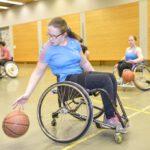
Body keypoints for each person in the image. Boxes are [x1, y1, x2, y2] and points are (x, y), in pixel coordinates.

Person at [13, 17, 124, 131]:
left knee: (110, 77)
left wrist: (95, 76)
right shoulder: (47, 49)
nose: (50, 39)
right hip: (67, 82)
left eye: (54, 36)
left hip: (80, 77)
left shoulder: (74, 43)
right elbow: (37, 72)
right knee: (105, 79)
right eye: (48, 35)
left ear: (64, 34)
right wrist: (27, 94)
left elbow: (84, 62)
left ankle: (111, 113)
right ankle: (110, 117)